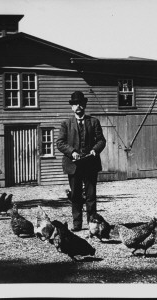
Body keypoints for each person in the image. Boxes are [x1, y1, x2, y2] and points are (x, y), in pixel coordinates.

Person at [56, 91, 106, 231]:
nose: (78, 106)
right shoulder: (66, 124)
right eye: (75, 104)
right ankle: (77, 224)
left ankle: (92, 225)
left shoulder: (94, 121)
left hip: (90, 164)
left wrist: (95, 149)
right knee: (75, 196)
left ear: (84, 105)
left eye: (80, 103)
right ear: (72, 107)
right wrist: (72, 152)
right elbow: (60, 143)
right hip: (74, 165)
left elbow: (101, 140)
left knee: (91, 196)